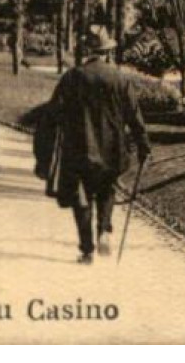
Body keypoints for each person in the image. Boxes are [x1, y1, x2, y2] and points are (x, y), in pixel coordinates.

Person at [33, 24, 151, 264]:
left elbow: (51, 114)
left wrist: (43, 150)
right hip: (112, 150)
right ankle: (105, 231)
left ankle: (87, 249)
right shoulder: (120, 79)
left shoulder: (73, 77)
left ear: (88, 50)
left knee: (82, 197)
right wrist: (143, 145)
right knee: (106, 190)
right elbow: (134, 116)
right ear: (107, 52)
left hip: (79, 148)